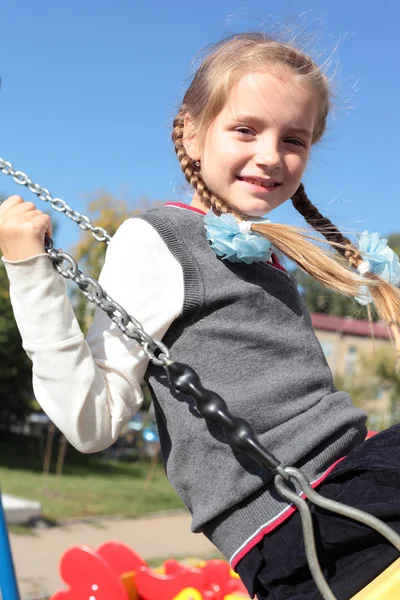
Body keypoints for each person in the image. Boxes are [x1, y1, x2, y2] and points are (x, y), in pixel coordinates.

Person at [1, 33, 400, 600]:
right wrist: (28, 269)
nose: (270, 154)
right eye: (246, 129)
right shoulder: (157, 239)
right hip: (303, 522)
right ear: (191, 130)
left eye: (294, 139)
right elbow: (89, 422)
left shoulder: (260, 249)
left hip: (345, 493)